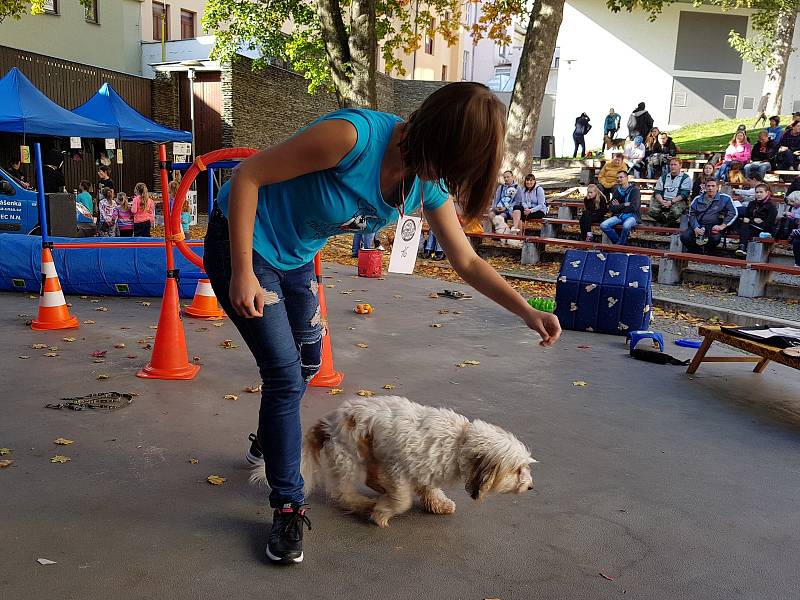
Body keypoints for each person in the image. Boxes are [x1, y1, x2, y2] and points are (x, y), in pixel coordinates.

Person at [201, 82, 561, 564]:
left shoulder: (425, 180)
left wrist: (528, 311)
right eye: (448, 167)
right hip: (243, 242)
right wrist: (242, 271)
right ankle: (288, 506)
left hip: (296, 256)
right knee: (284, 376)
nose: (443, 183)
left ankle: (270, 440)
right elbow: (247, 176)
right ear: (432, 136)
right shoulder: (351, 138)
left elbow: (467, 262)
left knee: (307, 363)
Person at [680, 178, 737, 254]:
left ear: (717, 187)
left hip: (714, 226)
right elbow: (691, 214)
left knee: (715, 238)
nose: (710, 188)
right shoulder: (697, 199)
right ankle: (697, 252)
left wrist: (722, 226)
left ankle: (707, 251)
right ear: (705, 187)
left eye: (713, 186)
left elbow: (733, 213)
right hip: (699, 225)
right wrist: (695, 227)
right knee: (684, 236)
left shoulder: (725, 198)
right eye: (708, 186)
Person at [734, 183, 777, 257]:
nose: (758, 194)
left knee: (745, 226)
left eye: (761, 192)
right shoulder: (752, 204)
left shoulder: (771, 206)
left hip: (763, 229)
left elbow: (769, 222)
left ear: (767, 193)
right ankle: (742, 248)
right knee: (743, 224)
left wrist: (750, 220)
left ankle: (742, 247)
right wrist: (753, 220)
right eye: (757, 192)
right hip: (749, 226)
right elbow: (746, 217)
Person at [600, 170, 640, 245]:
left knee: (626, 226)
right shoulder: (617, 191)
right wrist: (624, 205)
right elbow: (611, 208)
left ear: (627, 178)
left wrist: (618, 207)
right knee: (603, 225)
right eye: (617, 178)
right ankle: (620, 244)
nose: (619, 179)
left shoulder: (635, 190)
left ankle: (619, 246)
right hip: (619, 215)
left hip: (632, 216)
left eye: (621, 177)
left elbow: (634, 207)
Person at [648, 158, 691, 227]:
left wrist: (671, 202)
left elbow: (684, 194)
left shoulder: (685, 178)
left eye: (675, 164)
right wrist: (662, 201)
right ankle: (667, 224)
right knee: (652, 212)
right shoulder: (663, 177)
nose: (673, 166)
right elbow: (657, 191)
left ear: (680, 166)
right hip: (663, 200)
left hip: (678, 200)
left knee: (675, 212)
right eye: (671, 165)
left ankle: (666, 226)